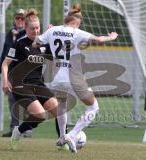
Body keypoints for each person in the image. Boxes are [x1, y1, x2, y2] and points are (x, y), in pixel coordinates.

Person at [32, 4, 118, 153]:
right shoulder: (77, 32)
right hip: (72, 77)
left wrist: (49, 37)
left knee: (62, 106)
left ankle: (62, 137)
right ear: (76, 22)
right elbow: (99, 39)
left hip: (54, 79)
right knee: (93, 107)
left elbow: (35, 43)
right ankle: (71, 135)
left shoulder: (52, 30)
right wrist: (110, 37)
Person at [2, 8, 58, 150]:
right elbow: (5, 63)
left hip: (38, 84)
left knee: (59, 110)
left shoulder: (44, 43)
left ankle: (63, 141)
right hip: (21, 85)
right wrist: (5, 80)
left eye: (38, 27)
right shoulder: (19, 43)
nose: (35, 31)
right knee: (40, 116)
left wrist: (52, 37)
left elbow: (54, 58)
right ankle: (18, 131)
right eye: (32, 28)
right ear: (26, 28)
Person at [0, 9, 33, 137]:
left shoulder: (28, 33)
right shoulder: (10, 33)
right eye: (18, 18)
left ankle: (27, 128)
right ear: (15, 19)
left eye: (22, 18)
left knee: (27, 100)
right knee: (12, 100)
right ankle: (15, 128)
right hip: (11, 72)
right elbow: (5, 53)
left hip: (24, 72)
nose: (20, 20)